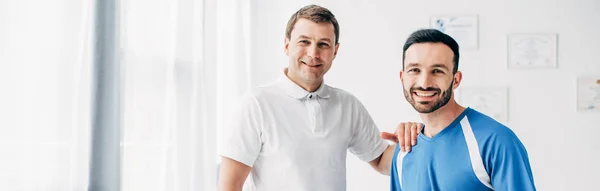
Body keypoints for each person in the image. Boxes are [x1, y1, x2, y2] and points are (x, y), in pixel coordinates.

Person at [217, 4, 420, 191]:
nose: (313, 53)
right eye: (304, 42)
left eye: (323, 44)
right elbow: (229, 185)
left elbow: (380, 159)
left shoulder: (347, 105)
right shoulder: (256, 104)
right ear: (287, 46)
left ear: (335, 51)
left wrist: (418, 142)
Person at [390, 29, 536, 190]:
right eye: (414, 70)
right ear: (402, 77)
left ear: (456, 79)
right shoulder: (404, 150)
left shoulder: (496, 141)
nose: (424, 83)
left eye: (437, 71)